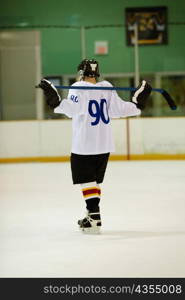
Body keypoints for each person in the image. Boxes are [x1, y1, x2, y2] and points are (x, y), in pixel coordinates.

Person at [36, 59, 151, 234]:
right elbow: (118, 110)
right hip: (104, 144)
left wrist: (55, 101)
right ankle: (91, 213)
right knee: (93, 181)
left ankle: (95, 216)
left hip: (84, 144)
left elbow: (72, 110)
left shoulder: (78, 87)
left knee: (86, 180)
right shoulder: (106, 86)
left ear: (81, 73)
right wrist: (137, 104)